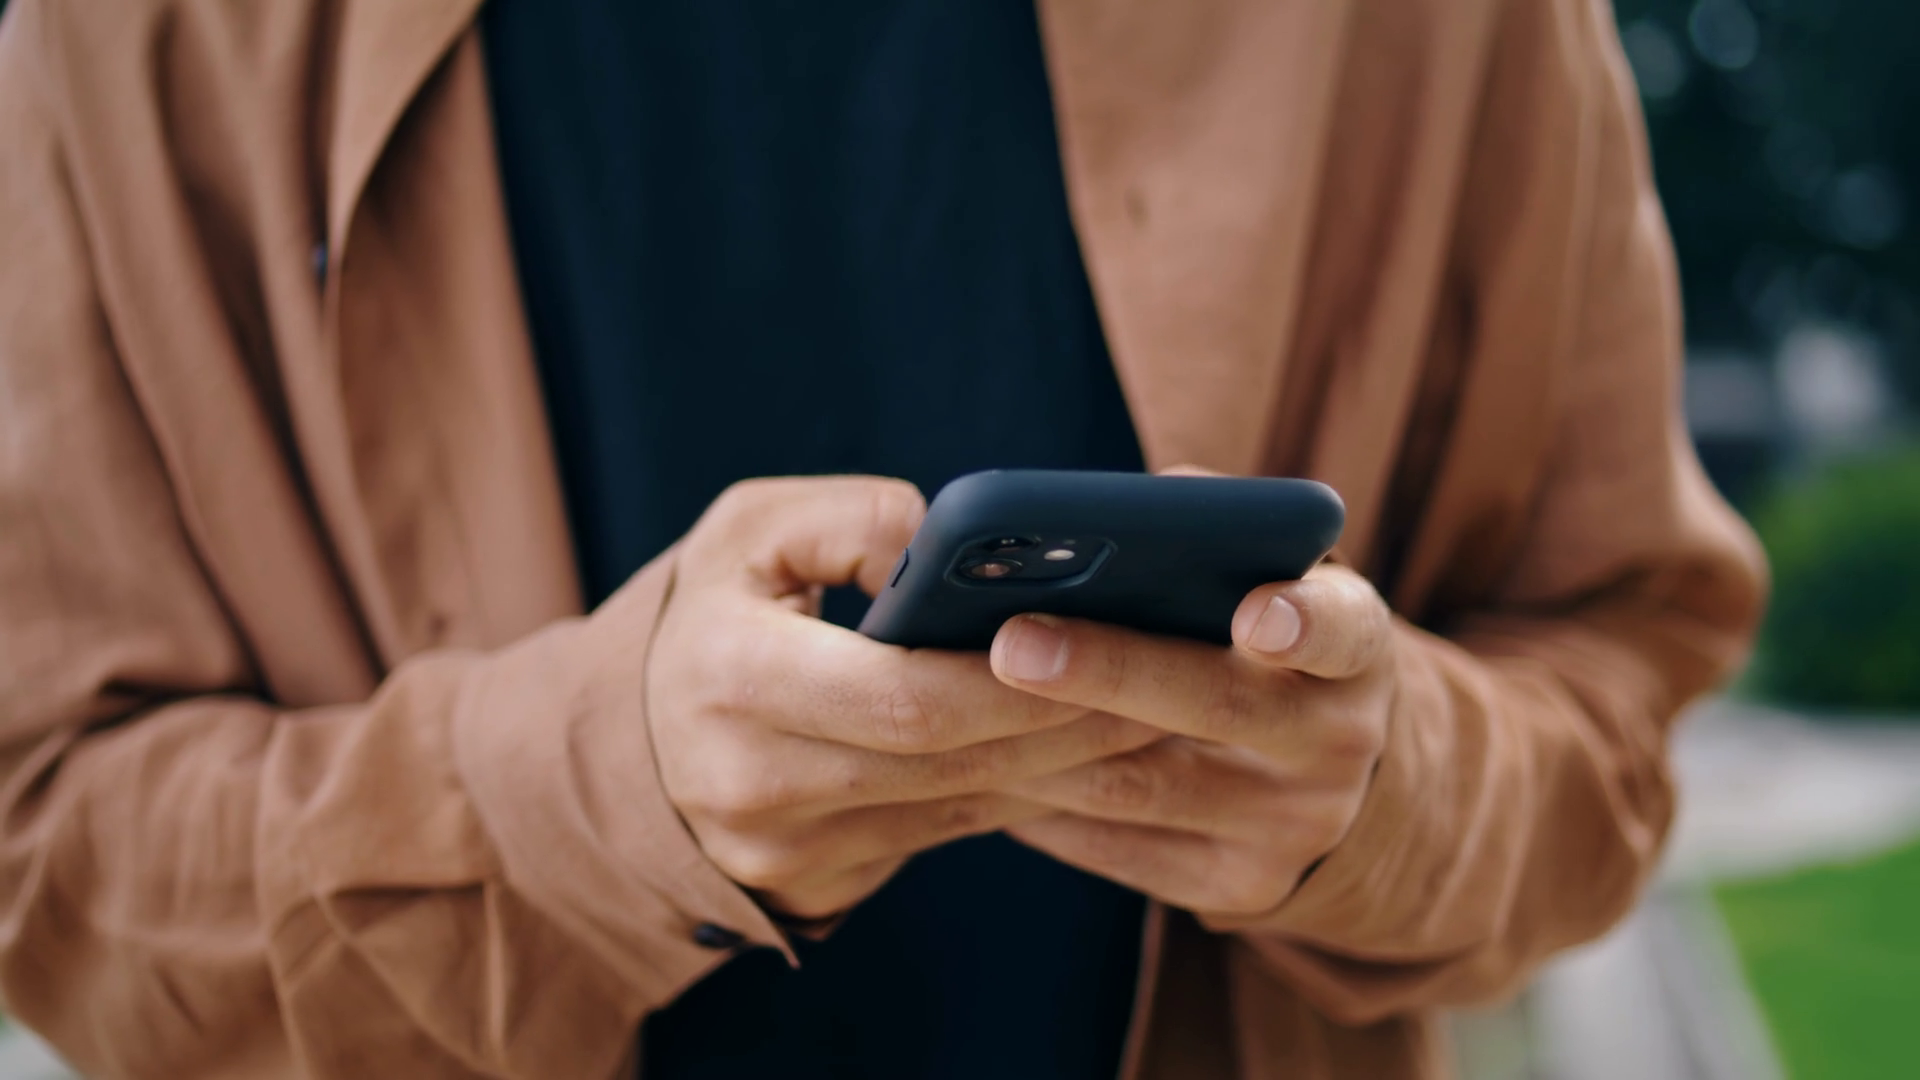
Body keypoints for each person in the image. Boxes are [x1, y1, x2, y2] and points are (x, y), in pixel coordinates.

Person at [0, 0, 1766, 1077]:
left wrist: (1383, 795)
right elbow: (47, 845)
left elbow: (1617, 675)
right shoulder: (142, 38)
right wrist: (592, 797)